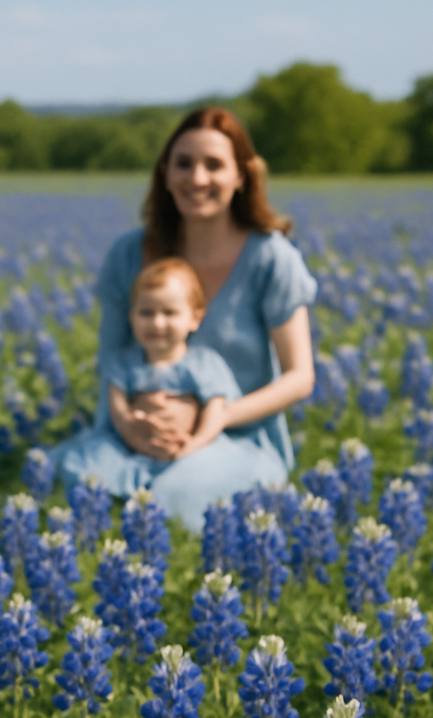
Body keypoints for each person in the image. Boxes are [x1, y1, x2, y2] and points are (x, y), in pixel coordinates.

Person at [52, 107, 316, 529]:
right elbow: (113, 360)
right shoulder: (128, 254)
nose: (196, 178)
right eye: (183, 164)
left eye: (214, 165)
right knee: (76, 477)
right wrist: (134, 426)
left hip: (238, 435)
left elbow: (299, 377)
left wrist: (215, 415)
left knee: (179, 493)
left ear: (242, 175)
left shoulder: (271, 257)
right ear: (164, 173)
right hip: (138, 432)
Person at [99, 257, 243, 491]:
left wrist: (194, 444)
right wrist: (138, 440)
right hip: (132, 448)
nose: (157, 322)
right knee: (94, 468)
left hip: (194, 446)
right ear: (131, 316)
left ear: (195, 318)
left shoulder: (204, 363)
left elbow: (216, 412)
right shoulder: (123, 364)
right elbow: (119, 415)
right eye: (146, 312)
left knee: (204, 478)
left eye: (169, 312)